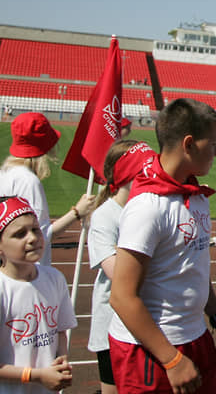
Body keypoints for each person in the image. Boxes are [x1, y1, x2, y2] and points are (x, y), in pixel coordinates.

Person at [108, 98, 216, 394]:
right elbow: (121, 297)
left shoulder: (197, 197)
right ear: (189, 144)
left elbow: (193, 266)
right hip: (152, 350)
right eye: (213, 143)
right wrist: (171, 360)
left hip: (195, 336)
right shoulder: (147, 207)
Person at [87, 140, 155, 394]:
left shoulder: (148, 208)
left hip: (145, 320)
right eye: (146, 169)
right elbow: (116, 273)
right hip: (112, 323)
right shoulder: (106, 216)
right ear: (128, 174)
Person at [0, 196, 77, 392]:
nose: (33, 238)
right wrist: (36, 375)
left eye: (35, 229)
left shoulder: (54, 278)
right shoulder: (3, 290)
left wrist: (62, 360)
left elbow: (60, 330)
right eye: (19, 234)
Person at [0, 112, 95, 266]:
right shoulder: (28, 181)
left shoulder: (5, 173)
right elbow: (42, 234)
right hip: (30, 270)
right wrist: (77, 212)